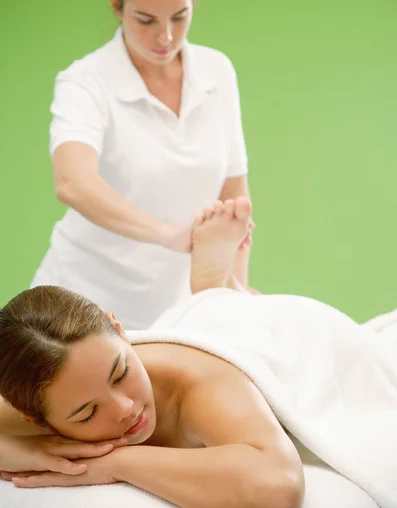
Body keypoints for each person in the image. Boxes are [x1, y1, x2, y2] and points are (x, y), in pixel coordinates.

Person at [0, 198, 389, 508]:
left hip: (301, 338)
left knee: (235, 323)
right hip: (197, 330)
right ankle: (216, 290)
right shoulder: (41, 390)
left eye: (120, 373)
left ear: (119, 329)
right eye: (87, 413)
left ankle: (220, 294)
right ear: (36, 419)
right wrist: (25, 450)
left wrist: (110, 463)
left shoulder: (198, 388)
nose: (123, 408)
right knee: (210, 315)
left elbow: (278, 486)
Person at [31, 0, 252, 330]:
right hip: (80, 307)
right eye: (146, 20)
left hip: (175, 311)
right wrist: (168, 234)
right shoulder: (86, 81)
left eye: (180, 16)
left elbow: (235, 198)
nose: (165, 36)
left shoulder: (217, 72)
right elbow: (72, 182)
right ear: (117, 5)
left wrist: (233, 297)